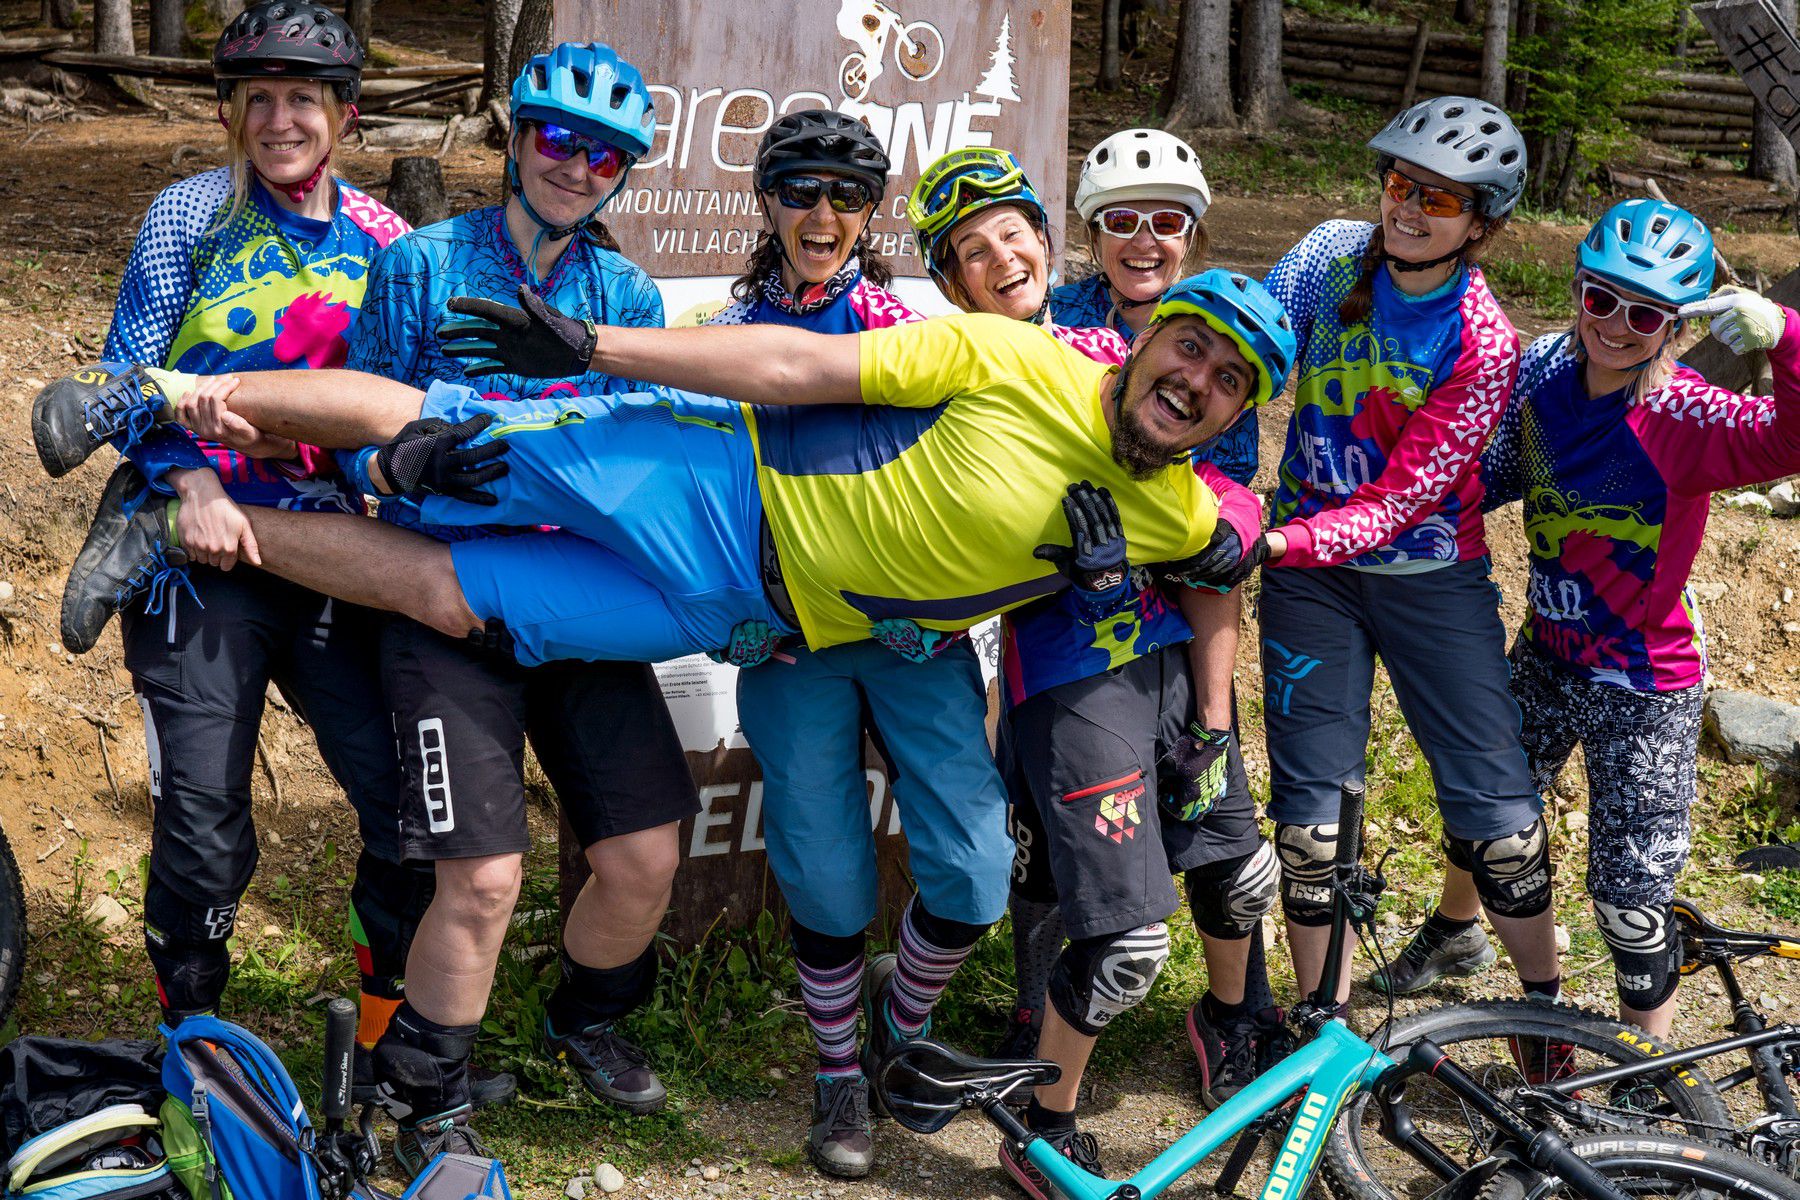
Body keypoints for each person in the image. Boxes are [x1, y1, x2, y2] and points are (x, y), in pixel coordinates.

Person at [330, 42, 691, 1157]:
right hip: (448, 602)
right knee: (483, 877)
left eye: (606, 156)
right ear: (517, 139)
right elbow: (344, 431)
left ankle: (584, 1020)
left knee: (644, 859)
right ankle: (425, 1090)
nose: (577, 168)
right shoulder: (421, 265)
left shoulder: (626, 296)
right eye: (559, 140)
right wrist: (394, 465)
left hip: (579, 600)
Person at [901, 147, 1283, 1194]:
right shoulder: (962, 366)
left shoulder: (1105, 344)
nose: (1001, 262)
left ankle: (1233, 1019)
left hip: (1172, 651)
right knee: (1119, 942)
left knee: (1239, 869)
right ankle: (1044, 1119)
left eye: (1013, 237)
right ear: (949, 279)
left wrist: (1231, 542)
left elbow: (1210, 494)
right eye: (972, 252)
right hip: (1069, 668)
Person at [70, 0, 431, 1083]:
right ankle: (192, 1040)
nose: (280, 120)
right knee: (204, 821)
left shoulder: (388, 241)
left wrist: (335, 468)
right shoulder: (189, 214)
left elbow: (393, 412)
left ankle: (382, 1037)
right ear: (230, 111)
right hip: (194, 552)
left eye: (303, 98)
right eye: (257, 98)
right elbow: (126, 378)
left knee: (409, 809)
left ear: (346, 115)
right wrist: (189, 484)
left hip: (334, 552)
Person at [706, 111, 1011, 1181]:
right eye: (799, 190)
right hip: (788, 645)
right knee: (826, 872)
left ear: (871, 210)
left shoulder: (907, 328)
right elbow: (694, 493)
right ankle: (840, 1071)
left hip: (911, 638)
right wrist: (723, 608)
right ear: (767, 201)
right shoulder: (723, 331)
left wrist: (948, 604)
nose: (822, 214)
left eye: (846, 195)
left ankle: (900, 1019)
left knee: (976, 869)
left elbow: (972, 486)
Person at [1255, 96, 1562, 1011]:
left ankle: (1546, 1022)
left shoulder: (1484, 340)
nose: (1409, 208)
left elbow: (1395, 505)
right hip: (1311, 583)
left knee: (1501, 826)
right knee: (1312, 827)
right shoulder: (1328, 256)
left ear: (1481, 224)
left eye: (1440, 198)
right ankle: (1324, 1027)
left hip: (1429, 575)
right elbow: (1247, 357)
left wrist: (1273, 539)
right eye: (1401, 184)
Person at [1472, 200, 1800, 1037]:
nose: (1617, 326)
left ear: (1676, 327)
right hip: (1546, 650)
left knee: (1630, 895)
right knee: (1490, 823)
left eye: (1646, 315)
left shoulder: (1687, 414)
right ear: (1578, 291)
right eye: (1602, 300)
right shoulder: (1541, 372)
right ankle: (1475, 952)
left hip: (1644, 684)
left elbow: (1790, 442)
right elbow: (1487, 473)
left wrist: (1787, 340)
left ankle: (1647, 1070)